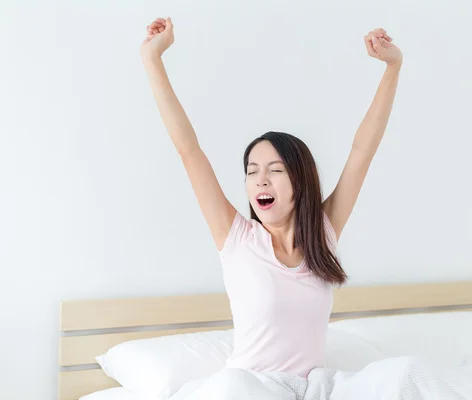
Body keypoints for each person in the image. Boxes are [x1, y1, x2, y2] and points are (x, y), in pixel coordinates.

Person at [140, 17, 402, 379]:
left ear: (300, 181)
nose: (260, 180)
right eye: (252, 171)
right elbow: (189, 149)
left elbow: (362, 151)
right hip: (249, 389)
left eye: (275, 170)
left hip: (309, 389)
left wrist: (393, 66)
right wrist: (153, 59)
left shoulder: (323, 235)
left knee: (404, 375)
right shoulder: (237, 239)